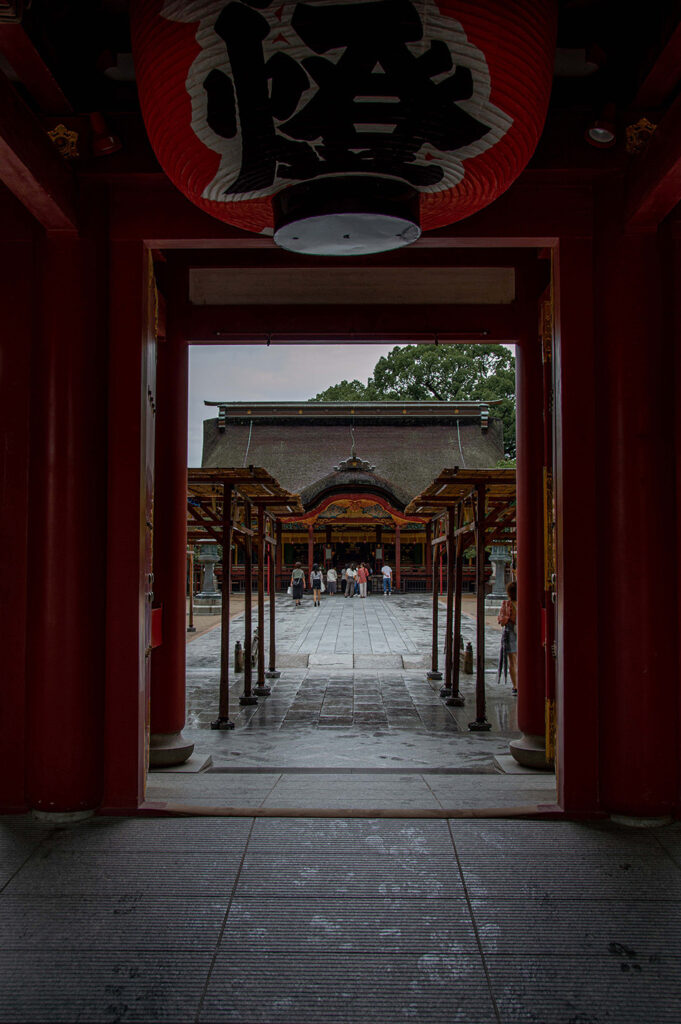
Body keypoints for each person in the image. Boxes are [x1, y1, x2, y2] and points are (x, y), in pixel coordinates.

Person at [497, 580, 518, 694]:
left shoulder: (507, 604)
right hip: (522, 632)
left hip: (510, 632)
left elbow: (503, 621)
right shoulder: (524, 603)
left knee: (512, 660)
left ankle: (515, 685)